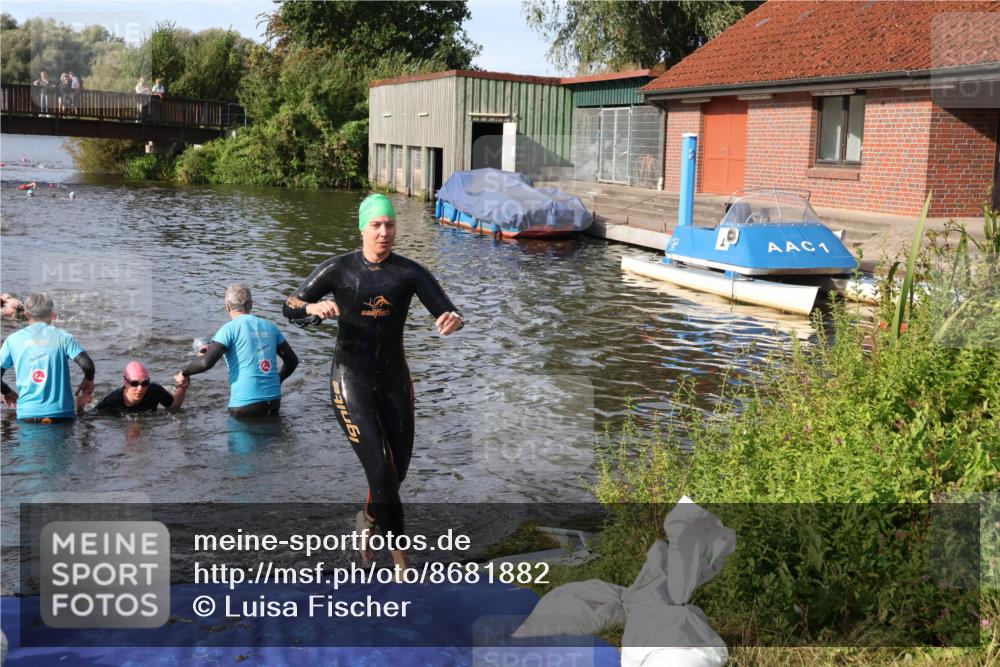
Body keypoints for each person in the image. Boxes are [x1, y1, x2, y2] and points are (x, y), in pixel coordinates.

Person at [283, 193, 464, 571]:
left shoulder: (409, 273)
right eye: (376, 225)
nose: (384, 233)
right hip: (350, 381)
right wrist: (313, 308)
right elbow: (290, 306)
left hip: (396, 383)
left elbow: (448, 310)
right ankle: (402, 564)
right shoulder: (338, 270)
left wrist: (453, 320)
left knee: (394, 475)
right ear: (362, 228)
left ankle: (367, 523)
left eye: (390, 225)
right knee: (380, 470)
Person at [178, 284, 297, 417]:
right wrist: (278, 380)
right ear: (251, 304)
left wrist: (184, 373)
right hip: (274, 401)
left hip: (245, 405)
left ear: (227, 306)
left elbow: (206, 363)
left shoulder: (228, 329)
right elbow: (292, 361)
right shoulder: (271, 326)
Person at [0, 293, 95, 422]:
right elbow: (87, 365)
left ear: (26, 314)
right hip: (62, 414)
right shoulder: (63, 337)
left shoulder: (12, 340)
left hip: (28, 414)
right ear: (51, 314)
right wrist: (88, 380)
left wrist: (7, 392)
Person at [88, 361, 187, 415]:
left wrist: (182, 387)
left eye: (145, 383)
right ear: (125, 383)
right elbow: (86, 418)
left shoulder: (154, 391)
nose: (140, 389)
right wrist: (80, 408)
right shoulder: (112, 402)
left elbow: (174, 407)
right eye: (134, 383)